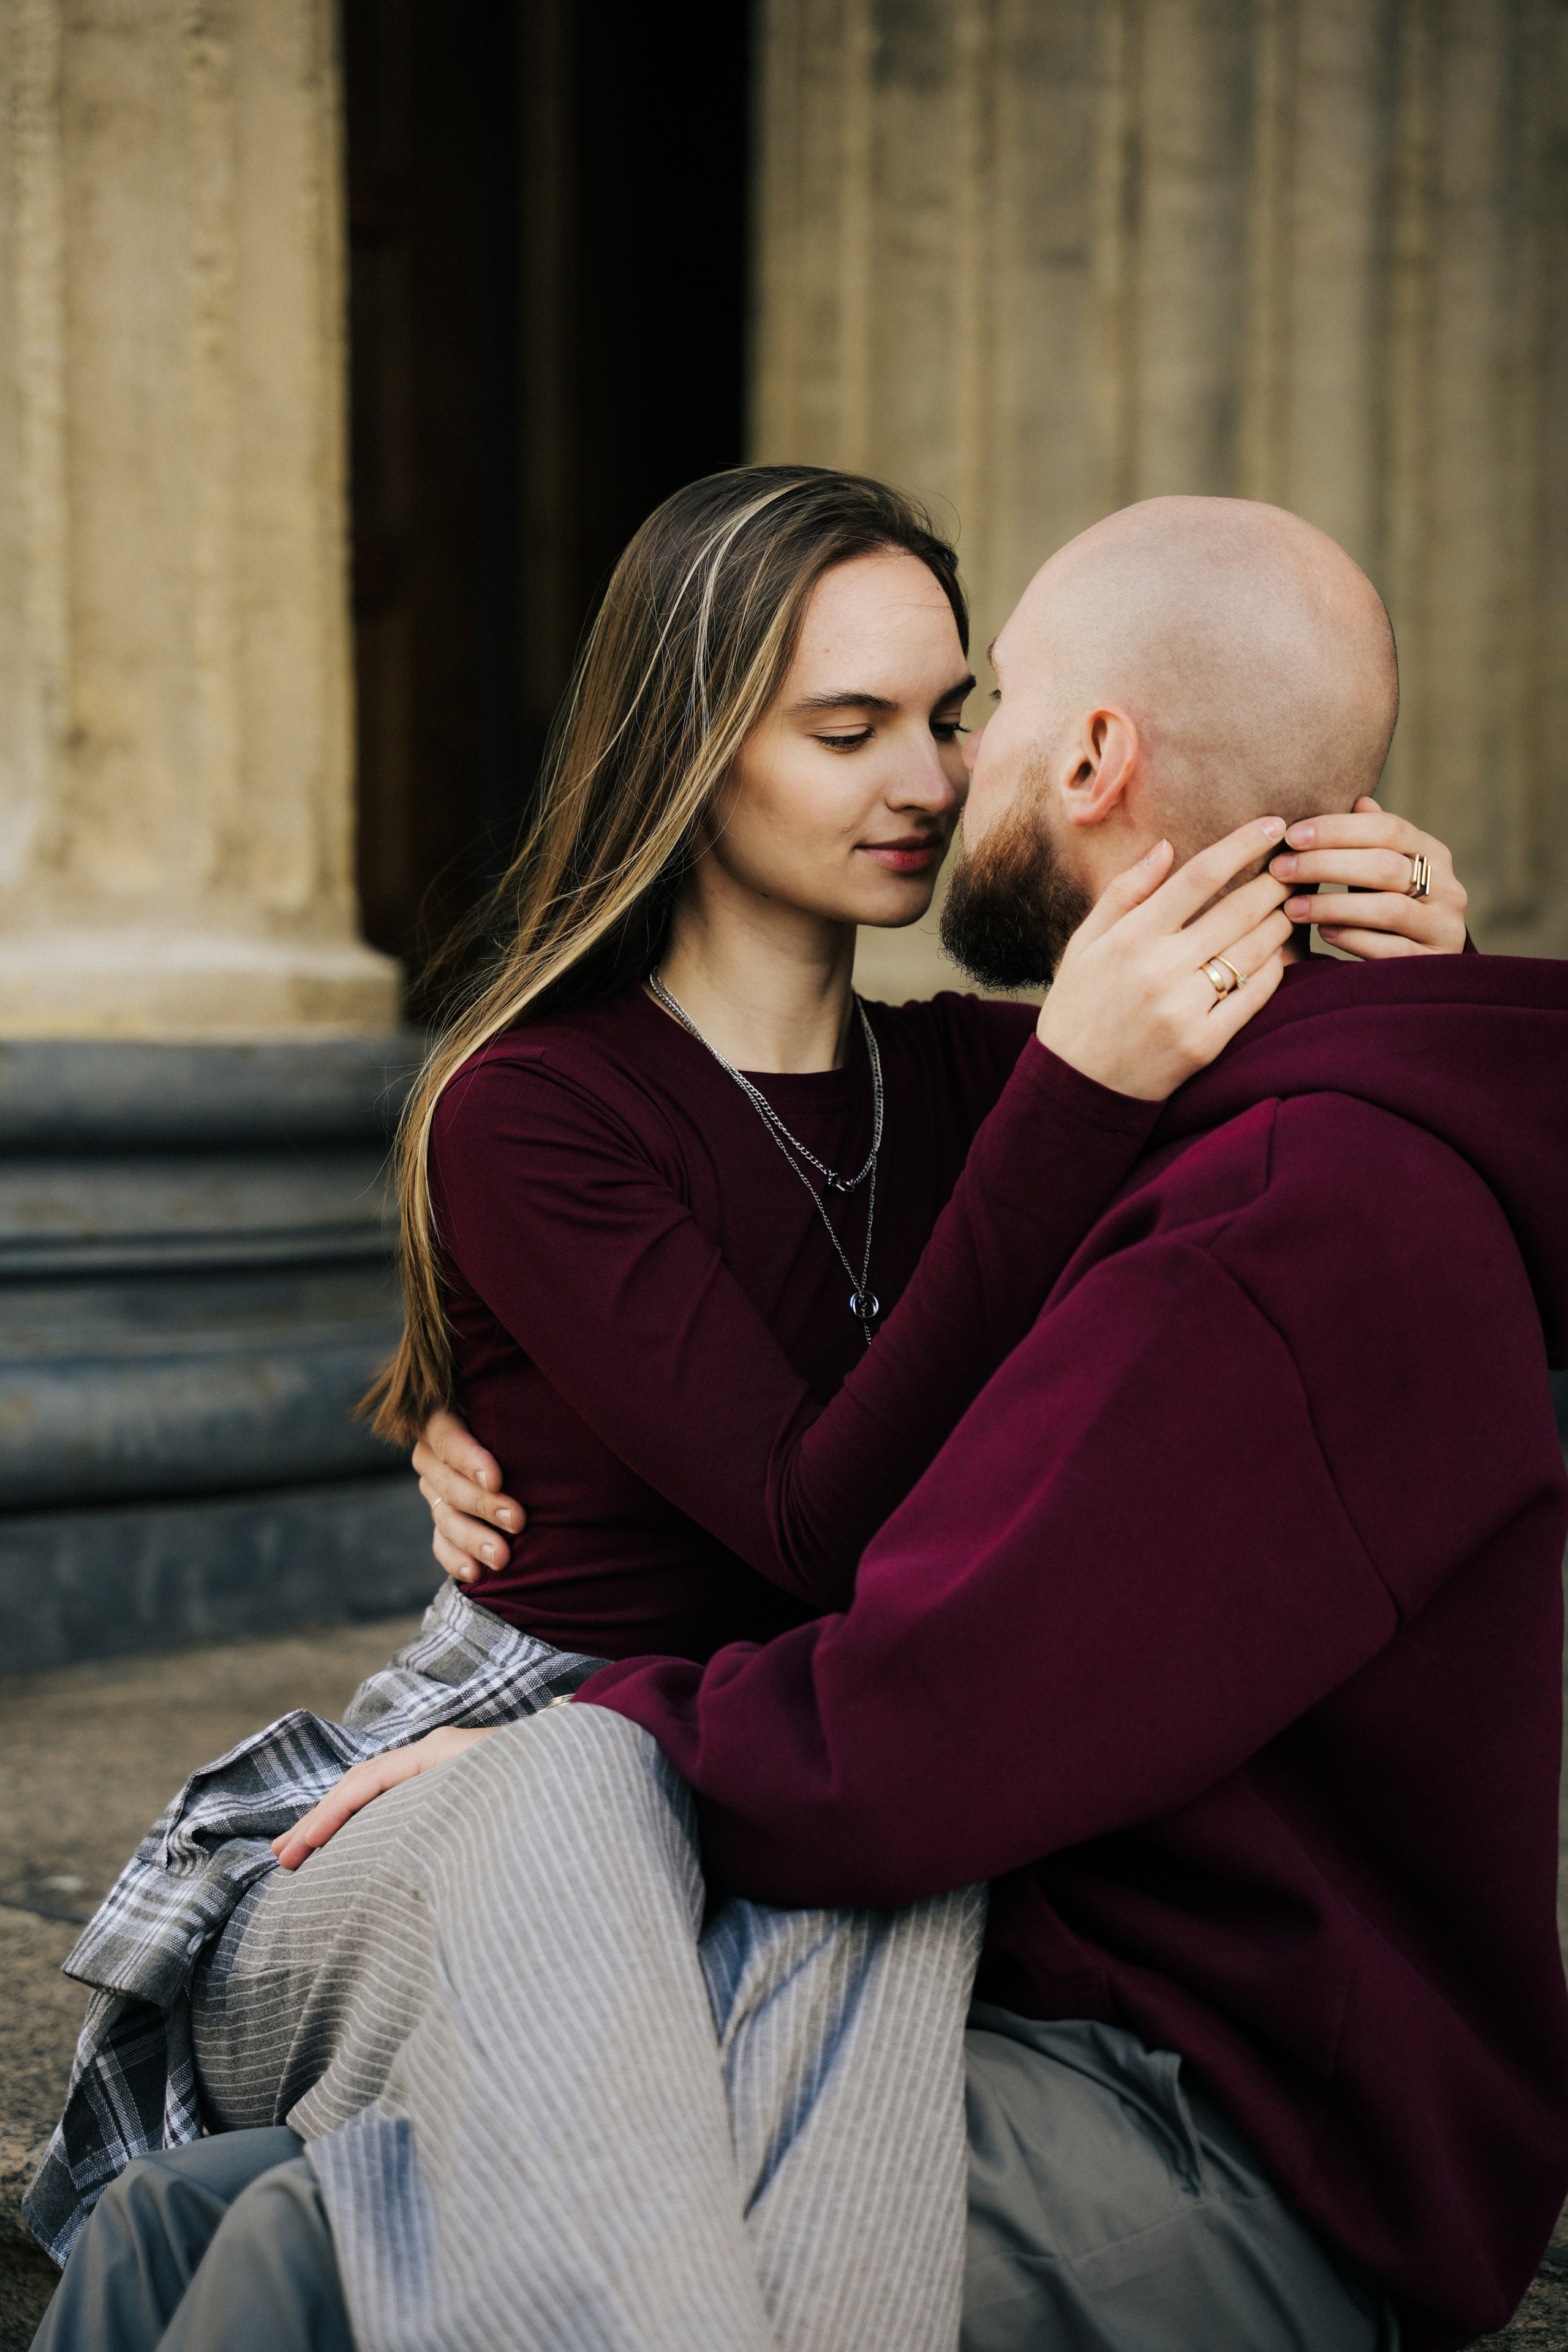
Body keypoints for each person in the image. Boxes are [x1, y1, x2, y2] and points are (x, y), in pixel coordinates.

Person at [28, 488, 1495, 2352]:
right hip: (506, 1780)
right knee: (620, 1818)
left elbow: (1292, 1149)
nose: (933, 777)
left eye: (952, 716)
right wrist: (1069, 1094)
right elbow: (812, 1527)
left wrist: (1388, 946)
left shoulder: (984, 1069)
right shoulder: (540, 1102)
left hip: (800, 1784)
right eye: (846, 728)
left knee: (830, 1953)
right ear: (696, 744)